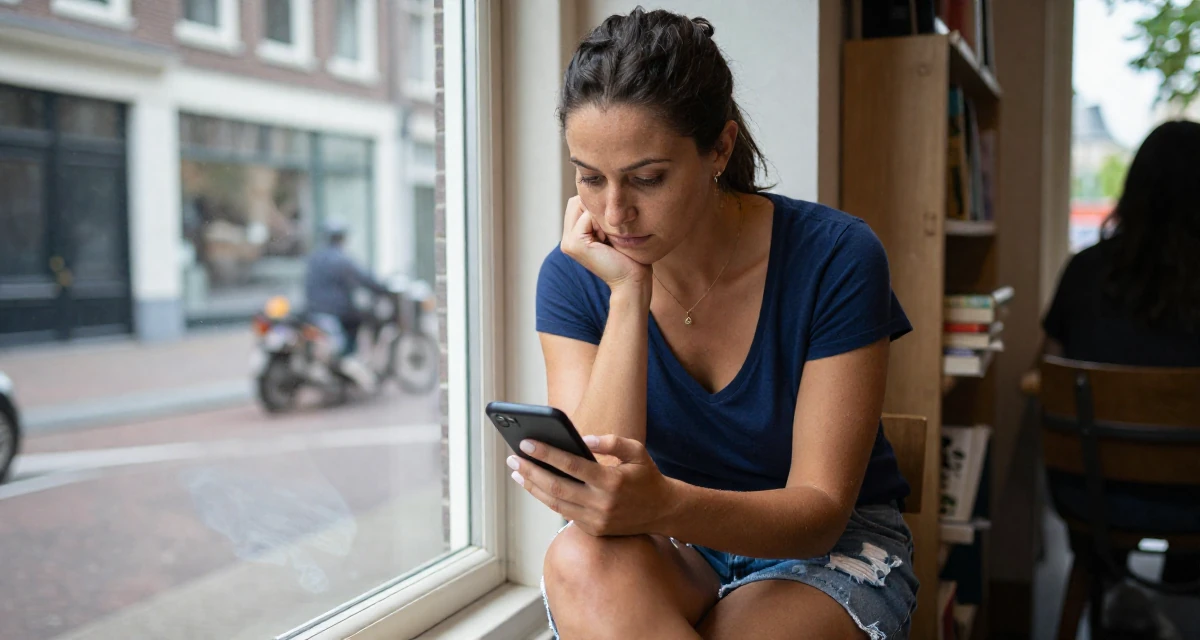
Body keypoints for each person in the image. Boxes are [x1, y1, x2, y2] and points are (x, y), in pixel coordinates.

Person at [513, 9, 918, 639]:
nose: (615, 212)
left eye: (647, 178)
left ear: (719, 149)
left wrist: (665, 502)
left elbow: (819, 515)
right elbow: (598, 497)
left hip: (824, 550)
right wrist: (628, 293)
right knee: (577, 561)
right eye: (591, 178)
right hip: (676, 543)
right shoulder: (576, 275)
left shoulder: (836, 257)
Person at [1042, 120, 1200, 589]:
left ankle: (1111, 591)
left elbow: (1045, 372)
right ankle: (1178, 587)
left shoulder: (1086, 270)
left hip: (1093, 497)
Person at [304, 220, 389, 357]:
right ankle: (347, 357)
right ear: (342, 238)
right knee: (355, 322)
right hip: (334, 312)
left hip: (313, 310)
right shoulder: (342, 260)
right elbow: (365, 278)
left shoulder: (315, 258)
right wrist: (383, 289)